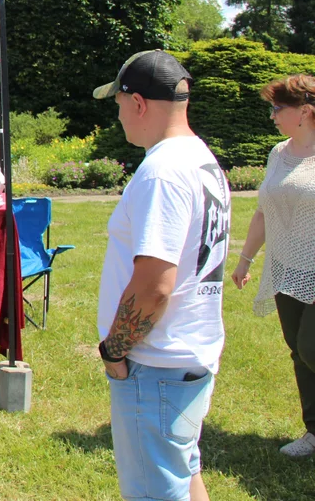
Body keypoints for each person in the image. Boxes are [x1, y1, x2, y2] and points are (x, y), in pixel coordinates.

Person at [93, 50, 230, 501]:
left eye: (117, 104)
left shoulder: (162, 172)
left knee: (156, 490)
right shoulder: (201, 158)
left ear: (138, 103)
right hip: (189, 355)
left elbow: (154, 287)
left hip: (155, 363)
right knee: (184, 471)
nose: (118, 115)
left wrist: (114, 351)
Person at [230, 74, 315, 458]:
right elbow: (264, 210)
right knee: (298, 350)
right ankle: (313, 433)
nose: (272, 116)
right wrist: (245, 259)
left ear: (306, 112)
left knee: (312, 347)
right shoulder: (278, 153)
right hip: (285, 268)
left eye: (278, 108)